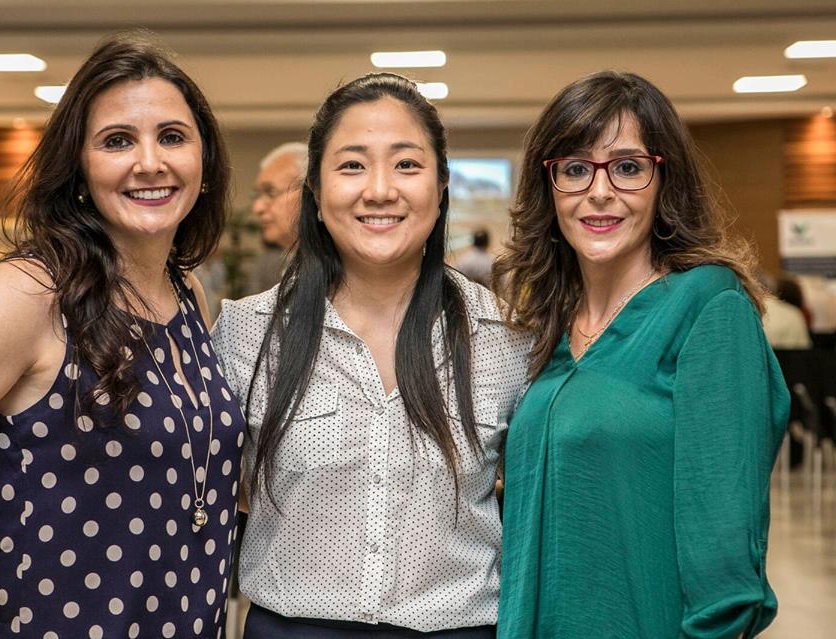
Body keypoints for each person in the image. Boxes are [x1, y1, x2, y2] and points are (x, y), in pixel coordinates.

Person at [0, 33, 245, 638]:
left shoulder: (186, 293)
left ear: (204, 162)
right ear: (78, 168)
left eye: (172, 136)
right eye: (117, 140)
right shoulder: (31, 292)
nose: (150, 162)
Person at [212, 73, 532, 638]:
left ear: (441, 185)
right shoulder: (247, 333)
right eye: (352, 165)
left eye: (406, 164)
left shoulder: (503, 338)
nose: (380, 190)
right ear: (315, 191)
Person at [493, 71, 788, 639]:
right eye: (575, 169)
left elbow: (726, 551)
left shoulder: (708, 306)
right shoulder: (548, 326)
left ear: (664, 180)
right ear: (548, 186)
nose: (599, 191)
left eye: (627, 167)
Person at [245, 142, 308, 294]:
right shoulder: (277, 268)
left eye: (270, 192)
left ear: (310, 193)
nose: (258, 208)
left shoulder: (344, 273)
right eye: (257, 195)